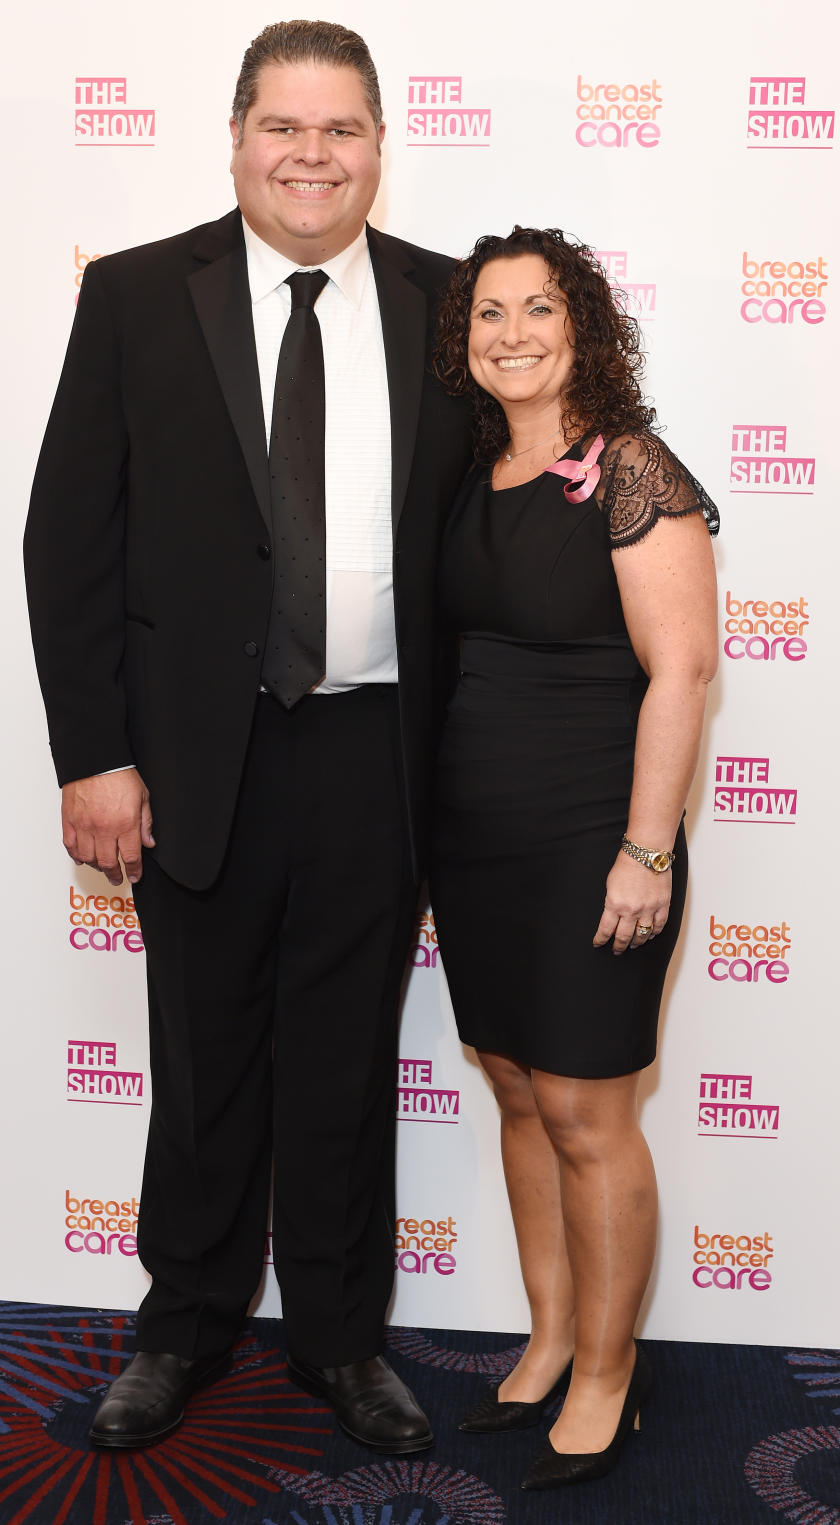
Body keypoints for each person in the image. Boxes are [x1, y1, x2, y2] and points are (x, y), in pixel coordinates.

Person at [23, 20, 472, 1454]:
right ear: (235, 137)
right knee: (204, 1053)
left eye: (341, 130)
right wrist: (93, 754)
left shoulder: (448, 304)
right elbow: (66, 539)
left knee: (344, 1057)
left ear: (380, 149)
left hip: (376, 749)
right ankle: (185, 1325)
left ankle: (344, 1341)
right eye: (284, 126)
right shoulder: (143, 295)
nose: (311, 156)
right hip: (192, 756)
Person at [429, 227, 719, 1490]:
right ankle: (551, 1339)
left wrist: (646, 853)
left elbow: (685, 669)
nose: (511, 334)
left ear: (582, 325)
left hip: (596, 842)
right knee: (513, 1088)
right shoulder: (473, 472)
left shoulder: (633, 468)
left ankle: (611, 1372)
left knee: (591, 1116)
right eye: (488, 314)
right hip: (474, 843)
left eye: (537, 309)